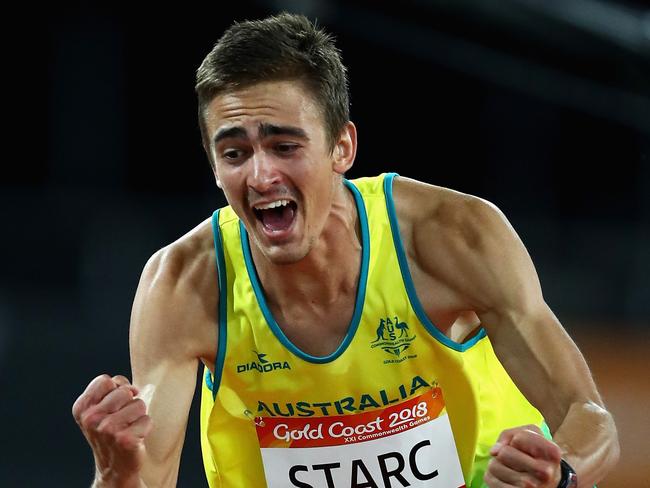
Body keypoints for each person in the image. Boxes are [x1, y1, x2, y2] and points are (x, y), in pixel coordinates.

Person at [72, 12, 619, 488]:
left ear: (342, 147)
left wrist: (560, 472)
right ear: (215, 168)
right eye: (235, 152)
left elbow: (590, 418)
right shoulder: (184, 284)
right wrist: (114, 472)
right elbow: (146, 479)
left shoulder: (448, 235)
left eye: (284, 146)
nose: (261, 175)